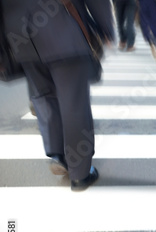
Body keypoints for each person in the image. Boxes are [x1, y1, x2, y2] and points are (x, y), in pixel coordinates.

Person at [1, 0, 114, 191]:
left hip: (22, 37)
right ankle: (79, 174)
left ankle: (58, 154)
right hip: (63, 29)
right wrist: (105, 28)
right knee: (74, 103)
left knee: (44, 96)